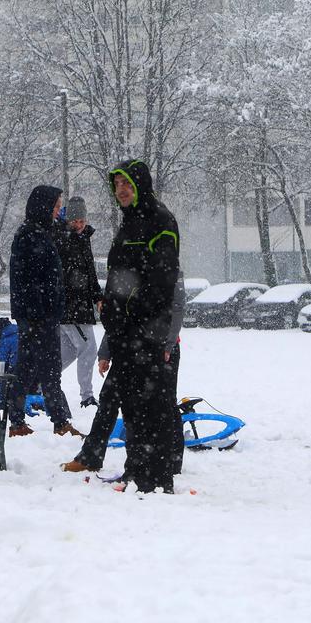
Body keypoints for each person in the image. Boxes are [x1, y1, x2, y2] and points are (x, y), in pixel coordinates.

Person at [100, 160, 181, 493]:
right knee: (131, 404)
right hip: (124, 332)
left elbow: (161, 281)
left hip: (147, 331)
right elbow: (118, 278)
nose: (121, 189)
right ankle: (136, 469)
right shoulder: (127, 224)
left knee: (153, 404)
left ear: (140, 185)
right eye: (117, 183)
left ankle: (157, 477)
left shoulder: (161, 221)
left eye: (127, 183)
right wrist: (108, 308)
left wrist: (132, 309)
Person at [62, 270, 186, 478]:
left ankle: (171, 461)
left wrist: (168, 343)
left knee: (165, 403)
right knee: (109, 400)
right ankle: (90, 457)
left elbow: (177, 307)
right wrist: (105, 353)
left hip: (160, 349)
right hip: (127, 348)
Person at [7, 185, 80, 437]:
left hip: (38, 314)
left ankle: (17, 420)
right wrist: (44, 310)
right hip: (39, 315)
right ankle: (59, 421)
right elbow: (31, 280)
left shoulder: (38, 233)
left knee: (27, 368)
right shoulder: (31, 236)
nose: (58, 212)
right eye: (56, 207)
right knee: (49, 368)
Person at [55, 196, 102, 408]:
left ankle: (38, 382)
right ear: (68, 220)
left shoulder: (83, 239)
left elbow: (90, 272)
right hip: (71, 308)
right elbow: (66, 275)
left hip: (78, 307)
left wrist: (97, 296)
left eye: (82, 221)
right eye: (75, 221)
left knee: (70, 351)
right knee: (89, 348)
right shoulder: (63, 239)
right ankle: (87, 396)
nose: (79, 225)